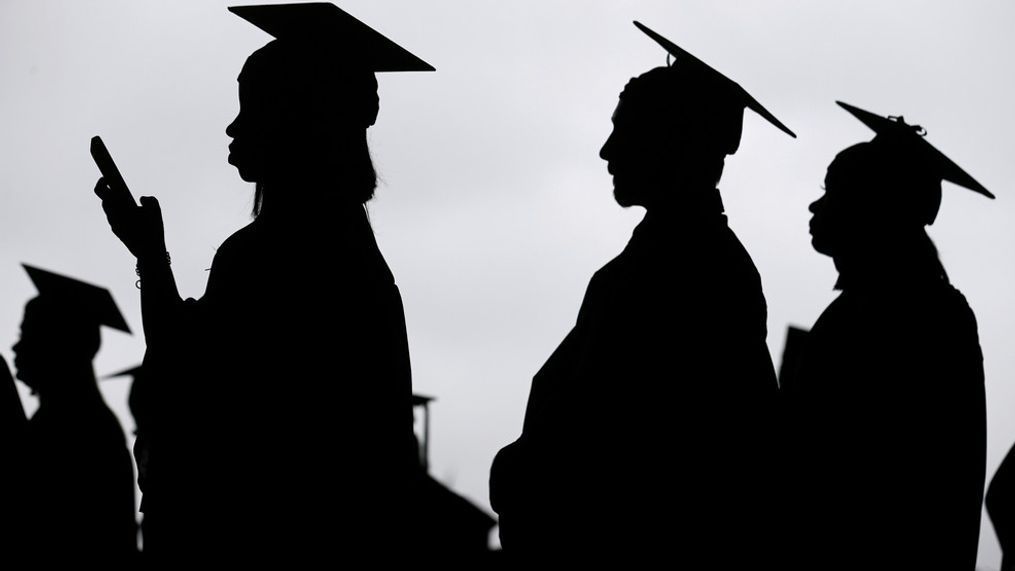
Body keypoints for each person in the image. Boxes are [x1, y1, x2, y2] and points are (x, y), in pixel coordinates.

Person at [93, 3, 432, 564]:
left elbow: (188, 378)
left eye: (252, 106)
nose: (233, 126)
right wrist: (149, 255)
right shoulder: (348, 255)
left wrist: (152, 259)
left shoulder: (274, 258)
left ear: (297, 120)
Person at [489, 21, 793, 565]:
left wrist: (527, 474)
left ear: (674, 140)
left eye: (626, 129)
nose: (607, 150)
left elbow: (632, 443)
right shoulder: (667, 262)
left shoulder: (694, 270)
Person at [784, 101, 990, 570]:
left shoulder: (921, 317)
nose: (818, 204)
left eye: (835, 190)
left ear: (876, 207)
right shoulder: (873, 308)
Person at [7, 265, 138, 565]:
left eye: (29, 334)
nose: (17, 346)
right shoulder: (84, 421)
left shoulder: (79, 429)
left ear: (62, 347)